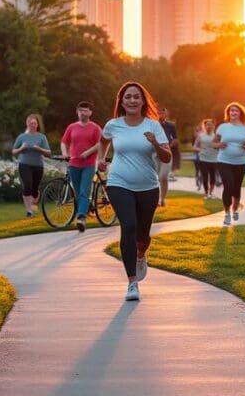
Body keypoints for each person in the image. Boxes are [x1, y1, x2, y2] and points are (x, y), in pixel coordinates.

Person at [98, 81, 171, 302]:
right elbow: (103, 141)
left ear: (142, 101)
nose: (131, 100)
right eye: (127, 97)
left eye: (136, 97)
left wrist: (155, 144)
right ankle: (132, 283)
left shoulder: (153, 126)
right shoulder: (113, 124)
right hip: (118, 182)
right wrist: (101, 158)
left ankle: (141, 254)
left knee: (143, 235)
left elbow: (167, 156)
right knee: (128, 226)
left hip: (148, 186)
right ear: (121, 101)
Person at [214, 102, 245, 226]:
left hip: (240, 162)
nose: (233, 112)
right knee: (228, 185)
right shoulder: (222, 127)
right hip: (224, 161)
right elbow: (214, 143)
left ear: (240, 113)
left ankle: (235, 209)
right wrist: (219, 145)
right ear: (228, 113)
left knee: (236, 187)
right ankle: (227, 213)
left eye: (236, 111)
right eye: (231, 111)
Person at [60, 101, 102, 232]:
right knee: (78, 193)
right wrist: (65, 154)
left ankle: (81, 218)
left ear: (90, 112)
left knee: (84, 191)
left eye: (85, 110)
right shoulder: (71, 127)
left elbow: (100, 144)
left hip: (88, 165)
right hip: (73, 164)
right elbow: (64, 142)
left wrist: (87, 153)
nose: (82, 113)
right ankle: (86, 207)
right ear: (77, 112)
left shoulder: (95, 128)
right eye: (80, 110)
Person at [12, 113, 51, 218]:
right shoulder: (22, 137)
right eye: (31, 122)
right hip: (24, 164)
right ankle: (29, 211)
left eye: (34, 123)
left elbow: (48, 153)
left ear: (37, 124)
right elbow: (14, 151)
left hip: (38, 166)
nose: (32, 125)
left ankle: (33, 203)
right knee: (27, 185)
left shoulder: (42, 137)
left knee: (34, 189)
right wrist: (21, 149)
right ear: (27, 123)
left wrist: (39, 149)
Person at [156, 106, 179, 206]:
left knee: (163, 176)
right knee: (154, 177)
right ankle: (156, 200)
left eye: (162, 112)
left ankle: (162, 199)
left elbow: (175, 139)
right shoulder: (152, 125)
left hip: (167, 153)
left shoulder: (171, 125)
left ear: (166, 114)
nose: (160, 114)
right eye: (159, 112)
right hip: (154, 154)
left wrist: (169, 145)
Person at [194, 118, 219, 198]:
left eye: (211, 125)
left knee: (213, 177)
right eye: (207, 125)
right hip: (203, 159)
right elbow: (194, 147)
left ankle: (211, 193)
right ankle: (206, 193)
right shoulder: (200, 136)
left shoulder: (216, 136)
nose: (209, 126)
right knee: (205, 177)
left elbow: (219, 146)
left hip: (214, 159)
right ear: (204, 126)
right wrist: (200, 149)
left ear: (214, 126)